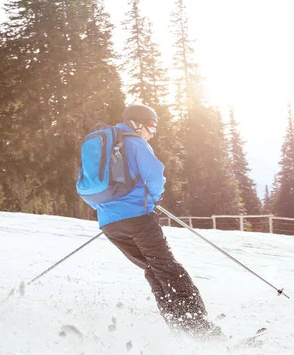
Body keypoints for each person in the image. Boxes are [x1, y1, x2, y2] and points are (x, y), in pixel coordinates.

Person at [82, 104, 222, 338]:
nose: (151, 134)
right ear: (138, 124)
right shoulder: (134, 142)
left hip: (109, 225)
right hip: (138, 219)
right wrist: (153, 198)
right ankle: (200, 327)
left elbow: (91, 185)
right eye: (151, 128)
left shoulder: (103, 144)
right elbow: (155, 174)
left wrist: (108, 211)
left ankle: (179, 326)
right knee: (167, 268)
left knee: (151, 269)